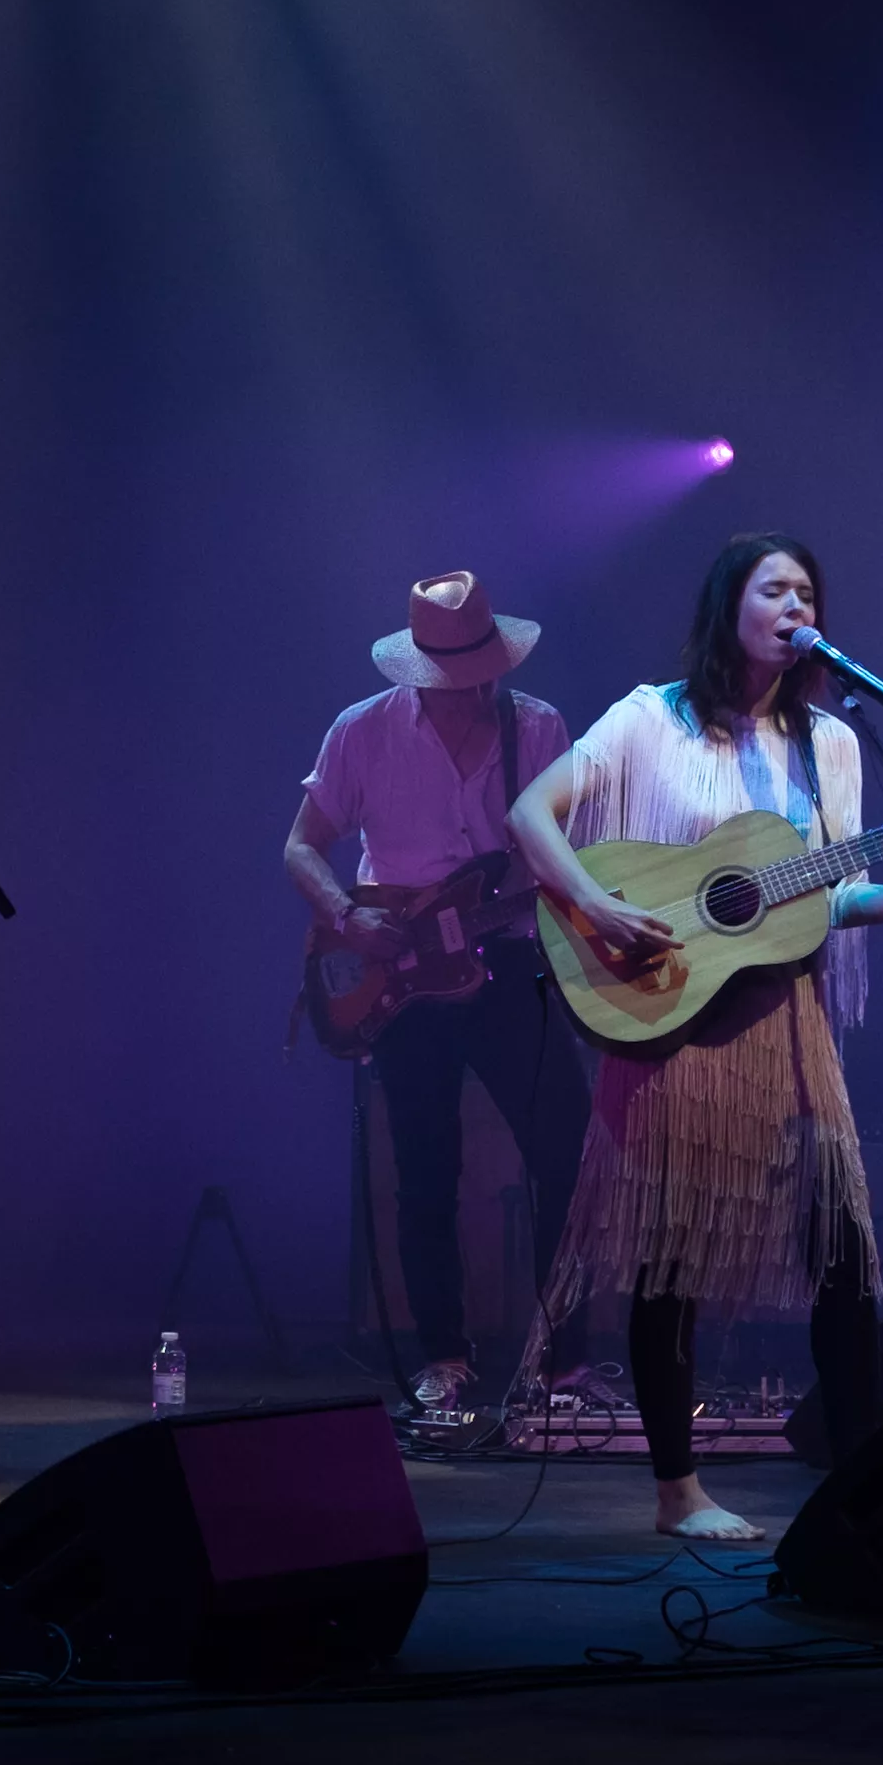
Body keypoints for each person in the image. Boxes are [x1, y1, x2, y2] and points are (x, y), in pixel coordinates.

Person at [507, 533, 883, 1542]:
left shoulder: (831, 743)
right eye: (775, 589)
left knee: (844, 1258)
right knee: (671, 1260)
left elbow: (833, 895)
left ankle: (860, 1491)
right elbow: (531, 813)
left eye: (809, 592)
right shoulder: (649, 718)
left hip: (787, 1024)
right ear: (731, 607)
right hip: (670, 1017)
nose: (797, 606)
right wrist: (595, 903)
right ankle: (679, 1493)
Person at [283, 570, 590, 1421]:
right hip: (403, 976)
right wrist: (348, 916)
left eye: (481, 670)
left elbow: (565, 850)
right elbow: (301, 847)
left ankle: (563, 1363)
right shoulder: (363, 731)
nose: (471, 688)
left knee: (568, 1152)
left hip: (509, 957)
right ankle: (443, 1358)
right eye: (453, 674)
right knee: (424, 1171)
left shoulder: (538, 726)